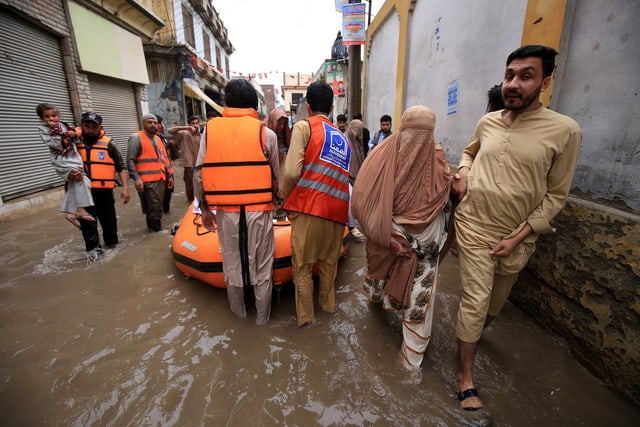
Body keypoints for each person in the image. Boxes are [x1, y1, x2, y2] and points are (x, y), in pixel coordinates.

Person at [451, 45, 582, 413]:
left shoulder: (565, 131)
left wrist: (519, 237)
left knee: (495, 304)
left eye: (526, 76)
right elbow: (469, 151)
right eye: (510, 75)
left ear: (545, 81)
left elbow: (556, 195)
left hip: (517, 237)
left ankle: (470, 335)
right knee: (475, 302)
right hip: (474, 225)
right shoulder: (488, 121)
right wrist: (462, 171)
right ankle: (465, 377)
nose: (514, 83)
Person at [352, 106, 452, 372]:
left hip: (424, 250)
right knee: (379, 281)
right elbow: (361, 202)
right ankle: (376, 313)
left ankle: (410, 364)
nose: (418, 143)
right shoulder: (381, 157)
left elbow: (445, 196)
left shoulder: (438, 157)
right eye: (413, 134)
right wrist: (387, 234)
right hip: (388, 242)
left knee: (419, 304)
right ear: (403, 130)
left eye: (425, 135)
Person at [194, 79, 280, 325]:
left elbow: (199, 174)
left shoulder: (209, 131)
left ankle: (239, 321)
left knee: (232, 267)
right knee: (263, 269)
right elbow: (275, 178)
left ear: (226, 103)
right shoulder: (268, 134)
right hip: (259, 212)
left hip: (227, 214)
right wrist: (277, 201)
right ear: (254, 105)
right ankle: (262, 324)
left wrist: (206, 211)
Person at [281, 81, 351, 327]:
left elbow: (290, 173)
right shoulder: (342, 138)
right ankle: (328, 310)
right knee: (329, 266)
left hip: (309, 208)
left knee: (302, 267)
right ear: (332, 107)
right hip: (338, 213)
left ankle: (307, 322)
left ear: (307, 106)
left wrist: (285, 199)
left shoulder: (303, 127)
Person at [75, 112, 130, 252]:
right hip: (82, 193)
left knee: (110, 226)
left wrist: (125, 188)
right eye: (87, 126)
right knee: (88, 228)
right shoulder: (73, 142)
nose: (91, 130)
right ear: (82, 126)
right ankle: (94, 255)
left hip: (104, 192)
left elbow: (121, 167)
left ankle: (112, 250)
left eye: (94, 127)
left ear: (100, 127)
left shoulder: (109, 145)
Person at [36, 103, 95, 229]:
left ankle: (71, 212)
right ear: (42, 118)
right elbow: (57, 145)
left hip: (74, 157)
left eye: (54, 115)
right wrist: (55, 131)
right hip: (63, 160)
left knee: (82, 182)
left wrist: (74, 134)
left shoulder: (65, 125)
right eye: (47, 117)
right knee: (80, 179)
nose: (51, 119)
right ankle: (80, 210)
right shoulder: (44, 130)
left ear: (59, 115)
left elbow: (77, 141)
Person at [127, 114, 174, 232]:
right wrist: (136, 178)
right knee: (155, 206)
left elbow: (163, 160)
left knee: (157, 207)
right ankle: (157, 232)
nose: (153, 125)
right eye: (149, 122)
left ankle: (152, 231)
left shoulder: (158, 139)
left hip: (160, 178)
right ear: (143, 123)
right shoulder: (136, 138)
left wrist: (169, 176)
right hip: (146, 180)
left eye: (155, 122)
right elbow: (130, 160)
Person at [168, 115, 200, 203]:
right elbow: (170, 130)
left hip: (198, 164)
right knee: (189, 185)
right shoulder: (184, 134)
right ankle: (191, 202)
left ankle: (197, 201)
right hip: (188, 163)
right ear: (189, 124)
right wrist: (185, 128)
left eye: (196, 123)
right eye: (192, 123)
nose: (195, 125)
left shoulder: (200, 136)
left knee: (199, 184)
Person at [345, 118, 365, 241]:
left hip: (355, 175)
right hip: (344, 175)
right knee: (350, 197)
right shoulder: (346, 139)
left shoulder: (357, 141)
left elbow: (359, 157)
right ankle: (352, 226)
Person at [155, 115, 174, 213]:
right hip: (160, 174)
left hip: (168, 172)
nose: (163, 125)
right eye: (162, 123)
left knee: (167, 196)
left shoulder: (163, 139)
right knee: (159, 200)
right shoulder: (153, 139)